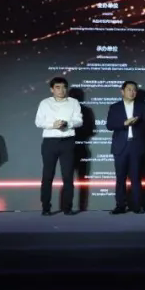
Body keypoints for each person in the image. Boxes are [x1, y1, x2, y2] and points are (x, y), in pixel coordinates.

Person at [34, 77, 83, 216]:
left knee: (68, 176)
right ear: (52, 89)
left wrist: (67, 124)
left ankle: (67, 208)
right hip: (50, 142)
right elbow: (38, 122)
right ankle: (46, 208)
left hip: (68, 141)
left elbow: (79, 121)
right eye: (57, 87)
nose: (61, 90)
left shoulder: (73, 102)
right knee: (47, 175)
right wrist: (53, 125)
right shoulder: (45, 103)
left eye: (64, 87)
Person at [105, 80, 145, 214]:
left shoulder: (141, 107)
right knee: (120, 178)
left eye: (134, 90)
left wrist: (137, 124)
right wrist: (124, 123)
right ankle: (120, 206)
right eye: (129, 89)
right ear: (122, 91)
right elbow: (109, 125)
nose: (132, 92)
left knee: (136, 177)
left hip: (136, 146)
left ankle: (137, 206)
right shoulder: (115, 107)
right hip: (120, 147)